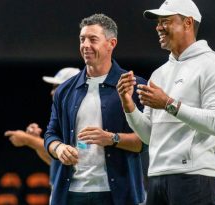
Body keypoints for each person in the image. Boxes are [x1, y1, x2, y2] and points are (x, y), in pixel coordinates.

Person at [117, 0, 215, 204]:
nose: (158, 27)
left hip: (194, 177)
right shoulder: (159, 73)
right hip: (157, 176)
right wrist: (129, 107)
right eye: (158, 22)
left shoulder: (212, 66)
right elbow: (148, 136)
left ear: (188, 23)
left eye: (166, 21)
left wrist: (168, 104)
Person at [44, 13, 147, 205]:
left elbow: (144, 142)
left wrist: (111, 138)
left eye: (93, 39)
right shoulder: (65, 90)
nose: (85, 45)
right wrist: (59, 149)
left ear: (111, 43)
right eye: (82, 39)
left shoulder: (133, 85)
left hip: (117, 194)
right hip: (71, 194)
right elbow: (51, 134)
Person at [4, 67, 80, 177]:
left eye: (56, 87)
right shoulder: (62, 117)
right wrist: (36, 141)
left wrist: (29, 140)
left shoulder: (81, 116)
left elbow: (73, 156)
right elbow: (55, 160)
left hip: (78, 191)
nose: (51, 92)